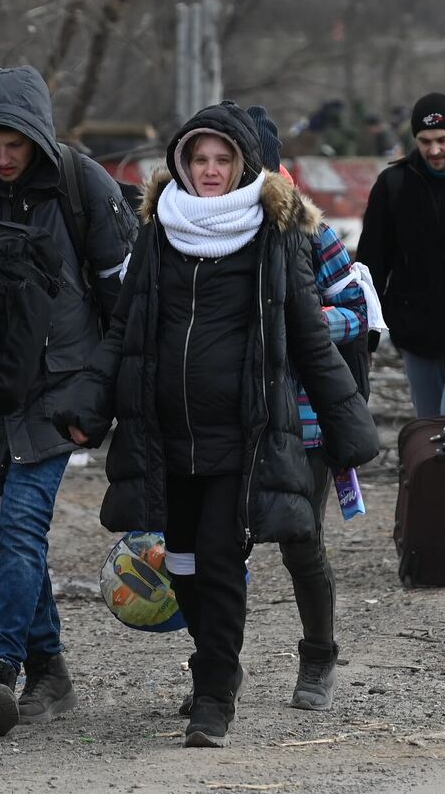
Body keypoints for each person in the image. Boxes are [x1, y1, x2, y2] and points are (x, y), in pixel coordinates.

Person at [51, 102, 378, 747]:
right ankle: (209, 663)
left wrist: (348, 424)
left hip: (244, 434)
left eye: (221, 160)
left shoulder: (274, 232)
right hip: (166, 432)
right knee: (184, 564)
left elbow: (310, 336)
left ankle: (214, 696)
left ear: (243, 165)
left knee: (223, 561)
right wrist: (88, 405)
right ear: (180, 162)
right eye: (198, 159)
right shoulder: (159, 231)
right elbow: (127, 330)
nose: (208, 171)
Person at [0, 65, 134, 738]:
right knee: (6, 535)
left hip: (61, 393)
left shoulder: (84, 185)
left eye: (13, 145)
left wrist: (103, 400)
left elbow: (124, 304)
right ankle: (51, 672)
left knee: (21, 530)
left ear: (36, 137)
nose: (2, 158)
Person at [249, 105, 369, 710]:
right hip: (231, 415)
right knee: (217, 546)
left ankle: (318, 657)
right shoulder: (195, 232)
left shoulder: (310, 232)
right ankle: (216, 669)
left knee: (301, 540)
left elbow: (359, 310)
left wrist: (313, 321)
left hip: (305, 419)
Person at [357, 92, 445, 418]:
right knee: (431, 425)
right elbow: (372, 264)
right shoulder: (394, 185)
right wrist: (366, 335)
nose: (434, 150)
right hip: (417, 322)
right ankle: (429, 470)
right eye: (425, 141)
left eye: (443, 140)